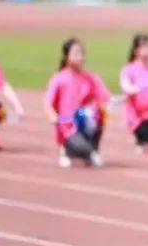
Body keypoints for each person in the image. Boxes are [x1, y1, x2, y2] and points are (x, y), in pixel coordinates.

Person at [43, 38, 111, 169]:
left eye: (82, 53)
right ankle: (75, 150)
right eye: (76, 53)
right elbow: (48, 103)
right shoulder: (59, 78)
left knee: (99, 112)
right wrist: (53, 115)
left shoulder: (91, 78)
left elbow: (106, 97)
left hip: (85, 123)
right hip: (68, 128)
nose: (80, 57)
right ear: (66, 56)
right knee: (86, 152)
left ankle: (86, 151)